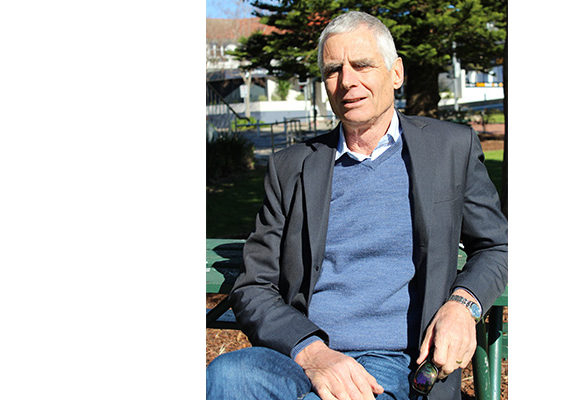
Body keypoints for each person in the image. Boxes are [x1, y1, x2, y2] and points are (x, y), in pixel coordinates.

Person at [207, 11, 508, 400]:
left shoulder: (450, 149)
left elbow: (496, 245)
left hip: (399, 364)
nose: (347, 80)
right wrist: (312, 352)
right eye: (334, 70)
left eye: (362, 65)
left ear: (396, 73)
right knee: (226, 375)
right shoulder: (291, 167)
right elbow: (253, 286)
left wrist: (463, 304)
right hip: (305, 355)